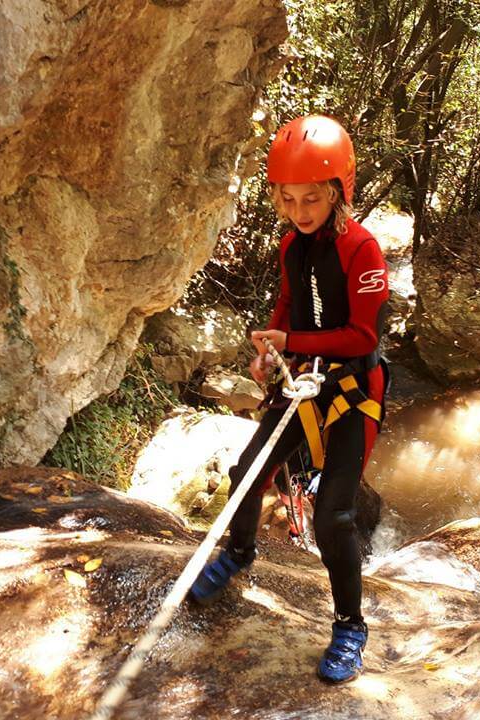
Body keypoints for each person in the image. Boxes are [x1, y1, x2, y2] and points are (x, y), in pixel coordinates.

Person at [188, 114, 389, 684]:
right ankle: (240, 552)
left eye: (312, 199)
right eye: (289, 198)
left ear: (338, 192)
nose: (300, 211)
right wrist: (269, 351)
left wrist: (292, 341)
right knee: (246, 472)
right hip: (301, 380)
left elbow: (363, 337)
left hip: (352, 391)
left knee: (334, 516)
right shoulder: (290, 246)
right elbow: (288, 302)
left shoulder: (362, 250)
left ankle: (350, 626)